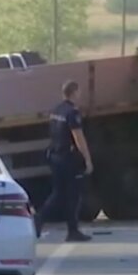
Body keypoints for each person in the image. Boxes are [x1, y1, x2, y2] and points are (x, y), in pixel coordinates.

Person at [33, 80, 93, 242]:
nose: (80, 95)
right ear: (74, 92)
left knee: (59, 193)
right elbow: (78, 138)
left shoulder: (56, 110)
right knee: (73, 194)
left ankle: (40, 218)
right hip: (68, 158)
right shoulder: (72, 113)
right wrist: (87, 160)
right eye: (79, 92)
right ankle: (71, 230)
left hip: (54, 156)